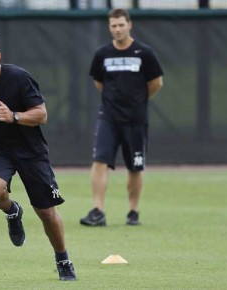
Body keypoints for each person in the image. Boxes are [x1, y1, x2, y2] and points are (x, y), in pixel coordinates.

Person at [0, 35, 76, 281]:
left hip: (30, 150)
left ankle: (63, 260)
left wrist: (14, 117)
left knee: (46, 212)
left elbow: (41, 115)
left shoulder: (19, 78)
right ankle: (13, 212)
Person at [80, 9, 163, 227]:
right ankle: (98, 211)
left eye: (121, 25)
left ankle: (133, 211)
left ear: (129, 25)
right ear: (110, 27)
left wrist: (138, 102)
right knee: (99, 161)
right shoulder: (102, 54)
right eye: (113, 26)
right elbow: (99, 83)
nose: (117, 29)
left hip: (136, 120)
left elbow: (156, 83)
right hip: (108, 118)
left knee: (135, 167)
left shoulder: (144, 53)